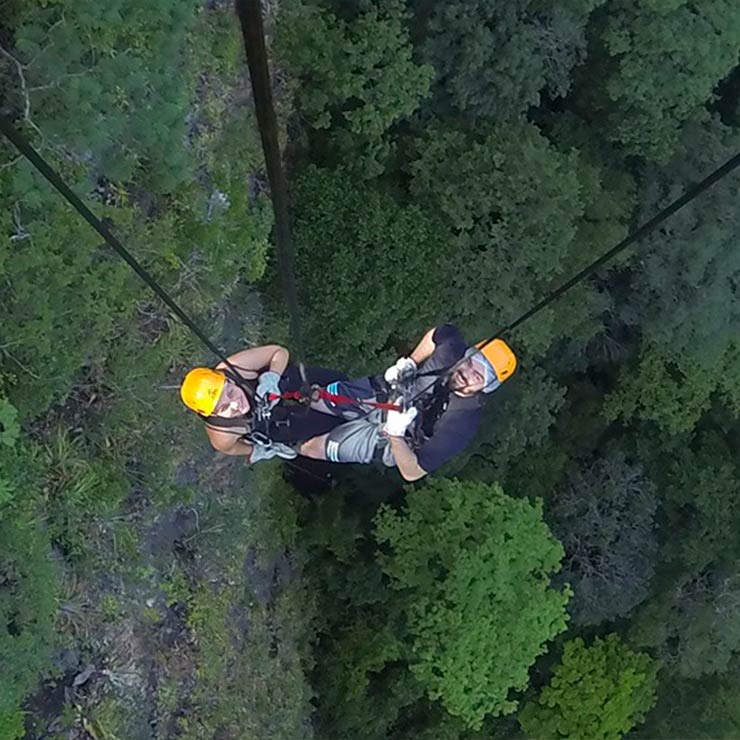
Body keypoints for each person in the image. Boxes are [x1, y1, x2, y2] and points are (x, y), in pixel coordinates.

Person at [296, 325, 517, 481]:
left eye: (477, 377)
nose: (466, 374)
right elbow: (437, 334)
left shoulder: (462, 423)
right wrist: (410, 363)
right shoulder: (451, 351)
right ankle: (277, 409)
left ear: (486, 387)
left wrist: (395, 433)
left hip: (396, 439)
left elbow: (412, 472)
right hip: (388, 394)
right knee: (315, 398)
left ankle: (285, 448)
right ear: (466, 354)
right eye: (470, 363)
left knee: (313, 449)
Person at [179, 344, 347, 463]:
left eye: (230, 393)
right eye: (224, 408)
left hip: (286, 384)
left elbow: (278, 352)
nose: (235, 404)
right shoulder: (222, 434)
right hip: (277, 424)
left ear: (228, 381)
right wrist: (259, 450)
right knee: (337, 426)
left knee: (341, 386)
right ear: (213, 414)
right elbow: (230, 448)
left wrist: (271, 377)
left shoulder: (234, 368)